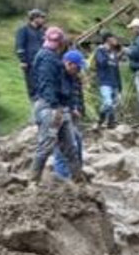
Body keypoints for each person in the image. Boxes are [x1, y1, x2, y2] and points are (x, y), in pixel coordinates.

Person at [29, 27, 83, 185]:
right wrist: (54, 107)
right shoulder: (47, 58)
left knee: (70, 147)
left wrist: (69, 107)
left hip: (58, 107)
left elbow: (65, 87)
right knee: (46, 146)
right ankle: (32, 182)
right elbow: (47, 85)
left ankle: (78, 180)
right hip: (50, 108)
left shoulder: (54, 59)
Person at [52, 49, 87, 181]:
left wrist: (75, 107)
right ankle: (62, 176)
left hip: (67, 113)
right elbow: (55, 96)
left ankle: (76, 173)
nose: (79, 71)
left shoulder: (72, 77)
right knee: (60, 145)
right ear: (69, 64)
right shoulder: (58, 76)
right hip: (56, 113)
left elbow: (74, 95)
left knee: (77, 140)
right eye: (77, 67)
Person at [15, 9, 47, 103]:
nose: (43, 20)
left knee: (43, 85)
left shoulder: (43, 31)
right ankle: (35, 107)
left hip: (43, 63)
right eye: (41, 18)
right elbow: (19, 46)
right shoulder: (23, 30)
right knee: (33, 87)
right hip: (30, 63)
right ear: (34, 18)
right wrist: (22, 60)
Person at [93, 33, 123, 128]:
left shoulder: (114, 53)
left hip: (114, 82)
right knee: (108, 103)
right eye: (113, 38)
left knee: (113, 104)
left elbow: (116, 69)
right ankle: (103, 120)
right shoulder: (100, 51)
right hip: (105, 81)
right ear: (108, 40)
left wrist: (120, 85)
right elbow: (101, 63)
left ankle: (109, 122)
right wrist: (107, 53)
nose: (115, 40)